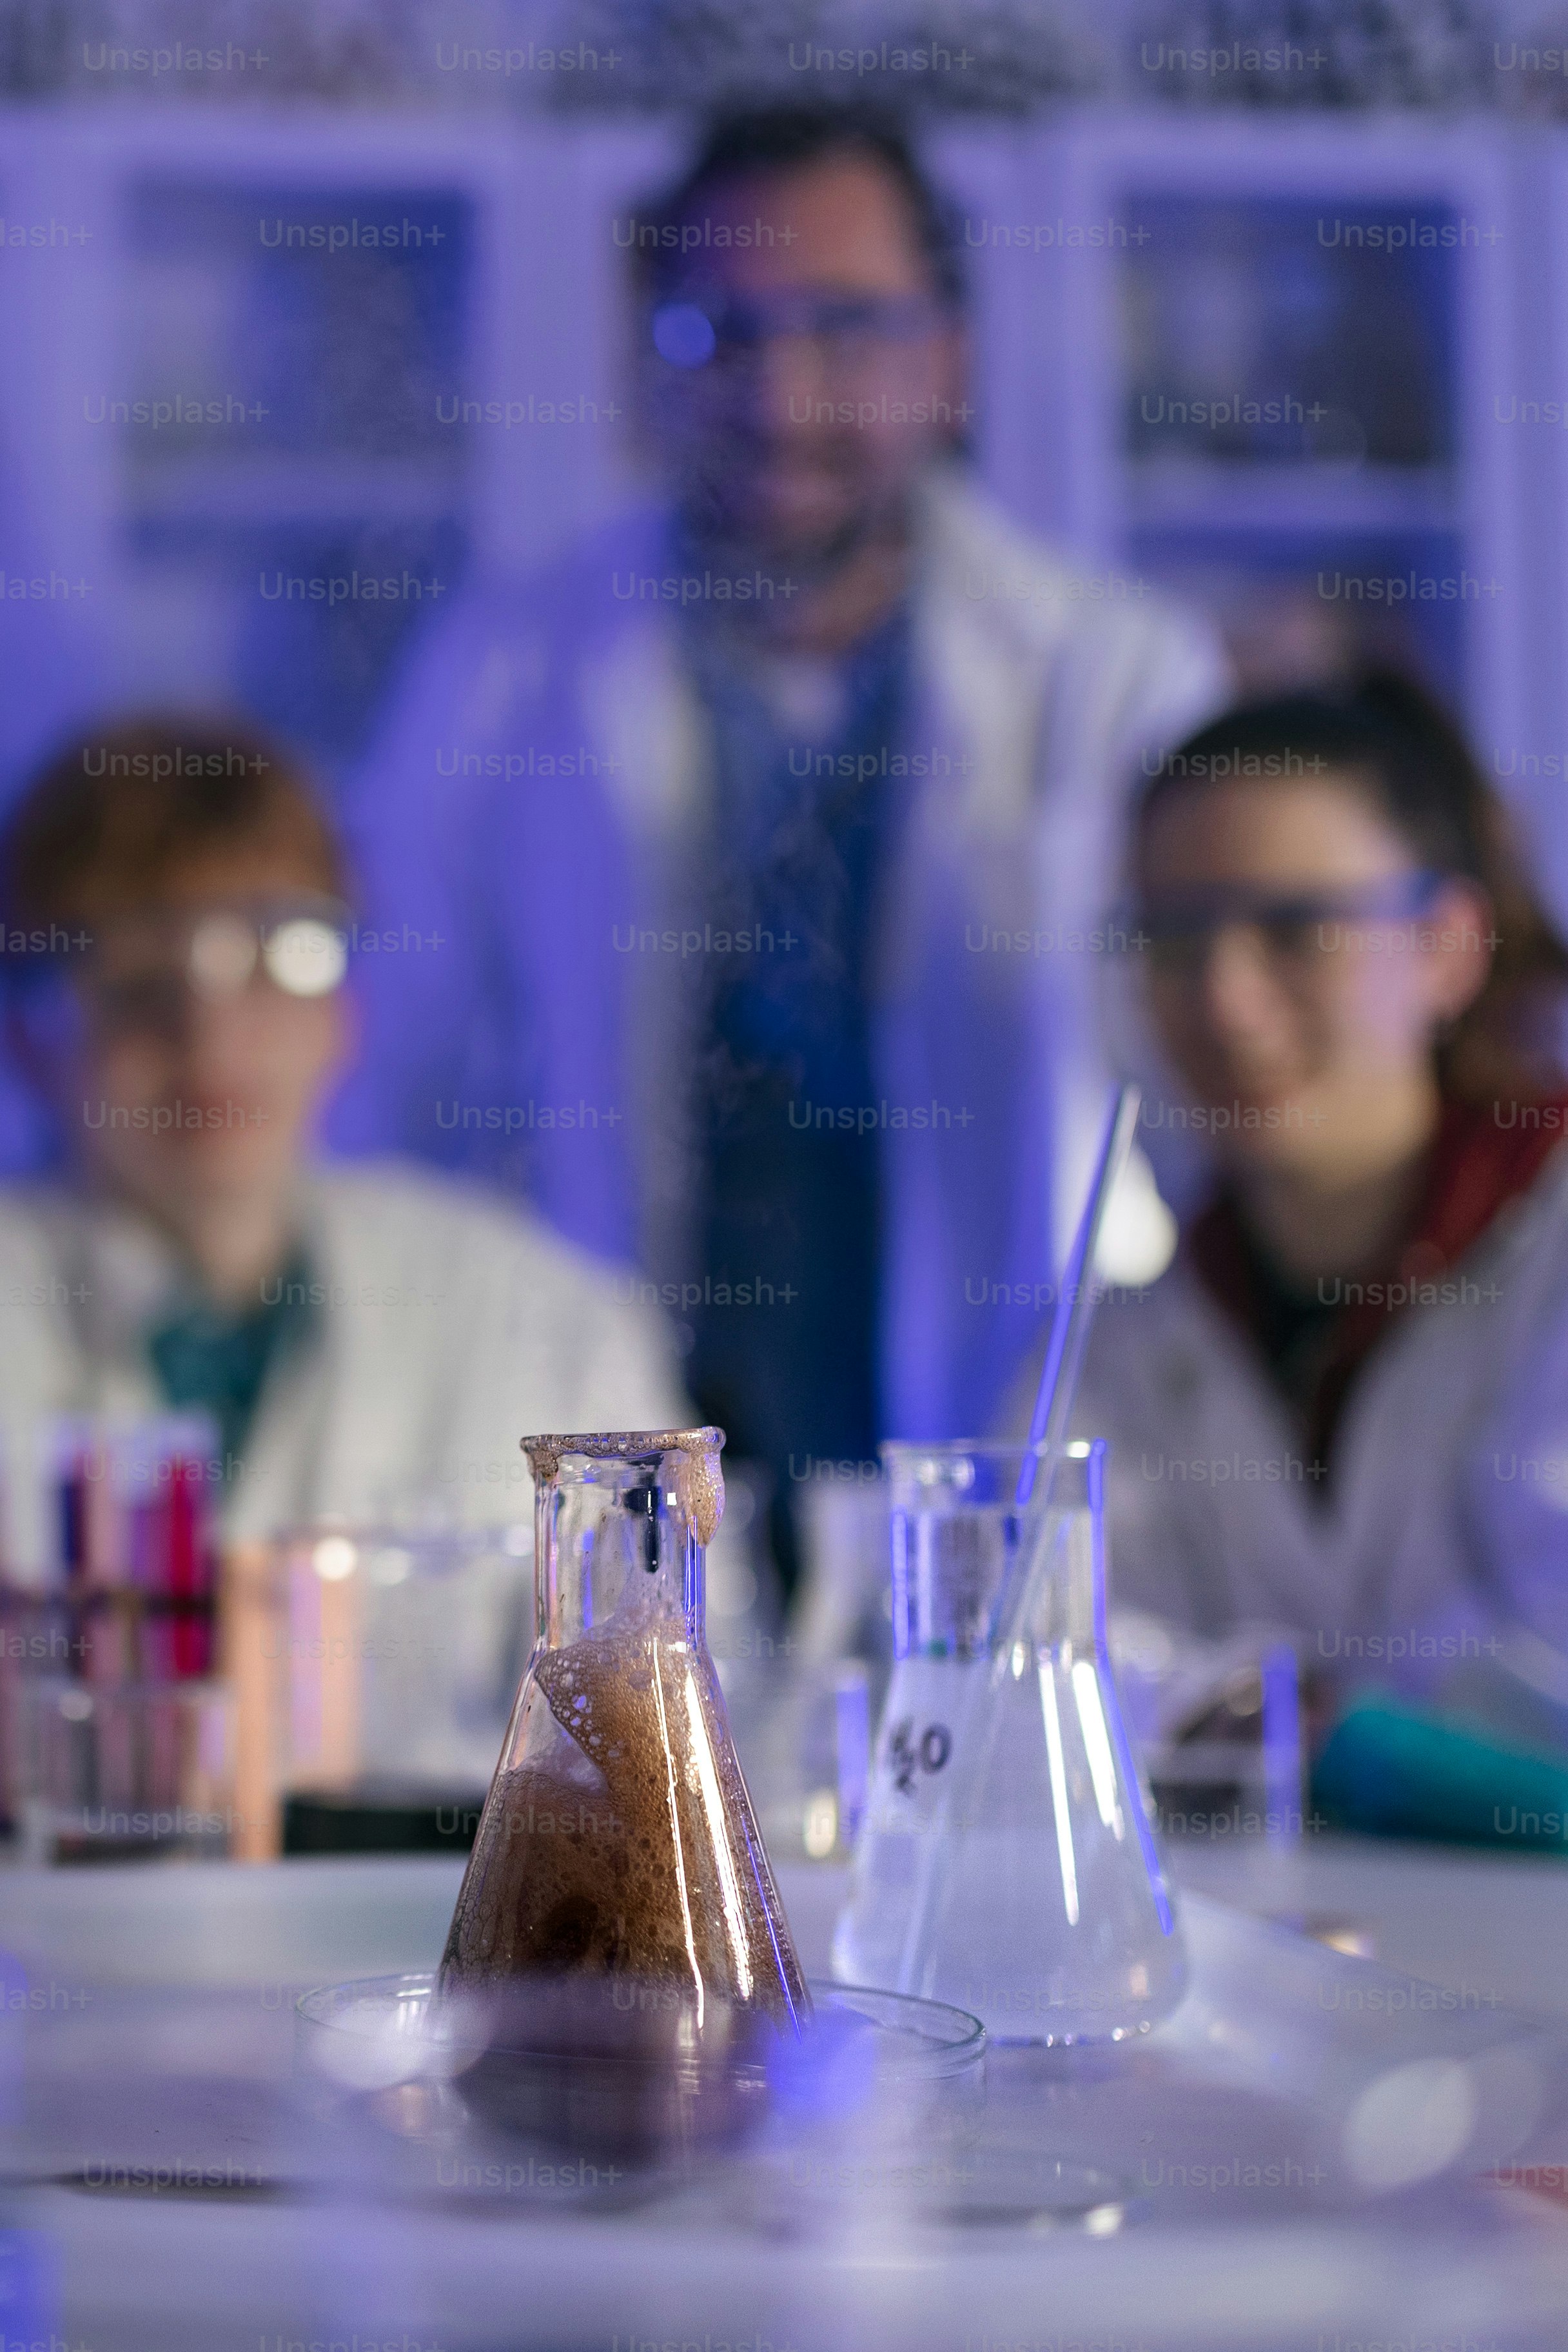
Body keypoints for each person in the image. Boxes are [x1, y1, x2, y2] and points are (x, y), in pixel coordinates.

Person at [335, 105, 1227, 1591]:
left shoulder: (1112, 678)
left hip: (1004, 1446)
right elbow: (384, 1090)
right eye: (716, 336)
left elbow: (1207, 1120)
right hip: (593, 1465)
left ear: (951, 361)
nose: (782, 397)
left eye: (849, 331)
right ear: (643, 368)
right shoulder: (504, 672)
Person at [0, 712, 687, 1576]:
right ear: (26, 1036)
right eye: (137, 978)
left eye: (280, 956)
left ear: (345, 1010)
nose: (212, 1036)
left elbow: (683, 1667)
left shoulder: (539, 1320)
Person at [1030, 673, 1568, 1716]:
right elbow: (1045, 1664)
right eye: (1174, 939)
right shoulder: (1133, 1345)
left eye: (1295, 929)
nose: (1225, 1004)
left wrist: (1277, 1720)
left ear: (1448, 949)